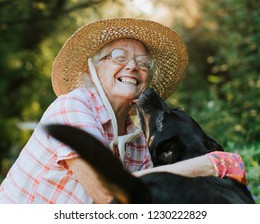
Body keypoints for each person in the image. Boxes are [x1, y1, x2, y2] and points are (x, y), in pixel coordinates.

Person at [0, 18, 247, 203]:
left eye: (143, 63)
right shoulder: (72, 107)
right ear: (92, 70)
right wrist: (209, 165)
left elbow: (138, 201)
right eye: (119, 56)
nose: (132, 66)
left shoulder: (137, 141)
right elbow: (106, 194)